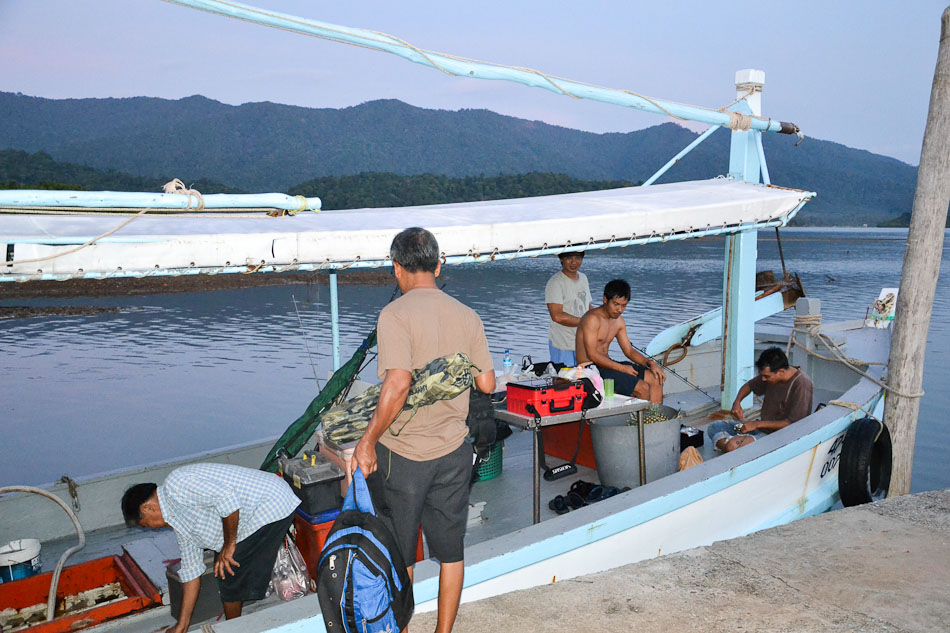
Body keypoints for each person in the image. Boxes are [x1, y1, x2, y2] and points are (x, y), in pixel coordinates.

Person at [352, 227, 495, 633]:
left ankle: (400, 628)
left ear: (396, 268)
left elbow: (396, 385)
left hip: (404, 456)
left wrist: (367, 440)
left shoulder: (394, 315)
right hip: (453, 451)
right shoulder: (467, 315)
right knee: (451, 551)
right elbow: (487, 384)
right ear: (438, 264)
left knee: (401, 552)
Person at [120, 463, 300, 632]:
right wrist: (182, 625)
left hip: (271, 502)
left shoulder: (176, 485)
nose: (151, 528)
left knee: (228, 568)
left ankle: (232, 628)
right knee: (223, 567)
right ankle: (233, 623)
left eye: (145, 525)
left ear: (148, 508)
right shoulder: (179, 522)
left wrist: (229, 547)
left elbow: (227, 499)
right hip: (250, 517)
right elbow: (192, 572)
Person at [575, 279, 665, 403]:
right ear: (605, 299)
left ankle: (655, 418)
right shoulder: (592, 319)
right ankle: (641, 421)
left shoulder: (619, 321)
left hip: (608, 364)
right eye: (616, 304)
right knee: (642, 388)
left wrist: (650, 363)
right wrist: (622, 368)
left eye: (624, 305)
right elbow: (592, 354)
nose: (620, 310)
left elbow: (629, 350)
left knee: (655, 377)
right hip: (589, 368)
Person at [709, 347, 814, 452]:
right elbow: (749, 385)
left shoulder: (802, 384)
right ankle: (732, 445)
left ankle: (730, 444)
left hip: (778, 437)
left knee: (733, 445)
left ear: (781, 372)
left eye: (766, 377)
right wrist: (737, 402)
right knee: (716, 426)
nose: (763, 379)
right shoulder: (771, 374)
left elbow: (792, 423)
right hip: (760, 428)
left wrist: (756, 424)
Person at [544, 251, 592, 366]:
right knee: (564, 380)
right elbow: (557, 316)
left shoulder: (584, 278)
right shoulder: (555, 282)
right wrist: (585, 322)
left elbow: (588, 306)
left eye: (578, 258)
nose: (574, 262)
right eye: (569, 258)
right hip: (562, 343)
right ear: (561, 259)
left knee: (585, 378)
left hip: (583, 342)